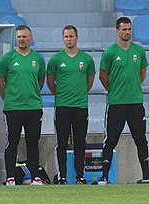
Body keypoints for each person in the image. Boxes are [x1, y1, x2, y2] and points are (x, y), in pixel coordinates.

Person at [99, 17, 149, 185]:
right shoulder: (110, 52)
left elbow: (142, 73)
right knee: (110, 140)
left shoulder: (139, 51)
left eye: (129, 29)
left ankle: (146, 176)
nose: (127, 32)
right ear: (117, 31)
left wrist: (132, 86)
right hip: (116, 104)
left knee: (141, 140)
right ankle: (104, 177)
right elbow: (103, 76)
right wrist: (115, 90)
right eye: (124, 30)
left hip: (135, 103)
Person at [0, 25, 46, 186]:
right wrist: (9, 99)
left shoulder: (38, 59)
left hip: (33, 107)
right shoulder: (8, 58)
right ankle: (10, 177)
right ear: (16, 39)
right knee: (12, 142)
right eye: (19, 37)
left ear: (31, 38)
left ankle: (35, 177)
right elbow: (0, 82)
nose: (22, 39)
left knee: (33, 143)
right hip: (13, 108)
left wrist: (31, 94)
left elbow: (40, 80)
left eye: (25, 36)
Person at [47, 25, 95, 185]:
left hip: (81, 106)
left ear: (77, 37)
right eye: (66, 37)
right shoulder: (56, 59)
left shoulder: (87, 59)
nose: (69, 39)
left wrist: (78, 94)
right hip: (62, 107)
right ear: (63, 38)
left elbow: (89, 82)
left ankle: (80, 176)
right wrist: (62, 95)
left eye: (71, 36)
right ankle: (62, 177)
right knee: (61, 142)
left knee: (80, 142)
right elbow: (50, 82)